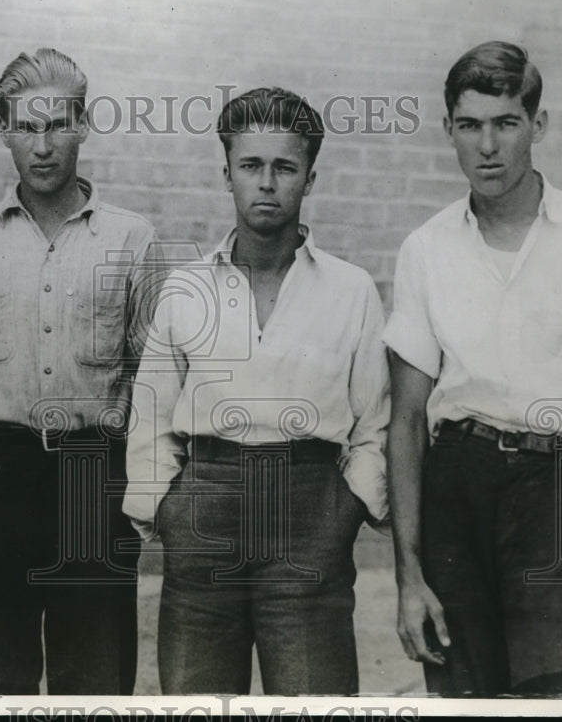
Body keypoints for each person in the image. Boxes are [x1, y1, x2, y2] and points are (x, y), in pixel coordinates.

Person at [383, 41, 562, 698]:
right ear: (449, 127)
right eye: (470, 124)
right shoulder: (424, 249)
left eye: (506, 123)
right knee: (464, 700)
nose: (488, 145)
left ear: (537, 126)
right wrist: (408, 575)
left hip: (559, 480)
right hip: (456, 480)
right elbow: (404, 419)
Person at [124, 87, 390, 695]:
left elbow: (376, 424)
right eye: (251, 166)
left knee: (315, 701)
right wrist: (167, 511)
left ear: (309, 177)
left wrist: (344, 514)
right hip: (205, 510)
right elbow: (151, 415)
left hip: (310, 512)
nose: (267, 183)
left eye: (284, 167)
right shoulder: (185, 288)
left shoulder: (351, 290)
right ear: (227, 174)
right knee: (198, 701)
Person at [0, 48, 156, 695]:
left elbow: (152, 373)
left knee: (95, 679)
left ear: (83, 125)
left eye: (58, 124)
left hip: (92, 475)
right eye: (27, 128)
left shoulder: (131, 239)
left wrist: (130, 487)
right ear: (5, 131)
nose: (44, 144)